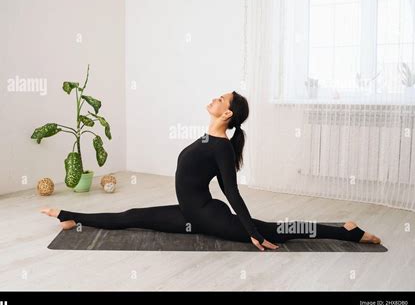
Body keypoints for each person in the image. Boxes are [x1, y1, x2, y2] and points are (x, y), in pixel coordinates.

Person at [41, 91, 381, 251]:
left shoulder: (219, 147)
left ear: (228, 114)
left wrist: (251, 233)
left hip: (207, 217)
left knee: (275, 231)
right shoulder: (210, 138)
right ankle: (70, 216)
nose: (215, 100)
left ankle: (347, 232)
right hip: (189, 212)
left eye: (221, 99)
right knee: (132, 213)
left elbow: (232, 194)